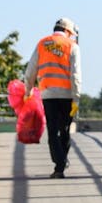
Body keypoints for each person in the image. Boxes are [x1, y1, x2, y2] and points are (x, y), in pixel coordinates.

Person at [22, 18, 81, 178]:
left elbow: (31, 70)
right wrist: (76, 98)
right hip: (67, 95)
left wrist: (27, 90)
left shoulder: (42, 44)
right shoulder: (72, 46)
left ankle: (59, 165)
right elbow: (75, 75)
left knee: (53, 131)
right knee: (65, 130)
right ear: (68, 31)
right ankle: (61, 162)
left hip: (48, 94)